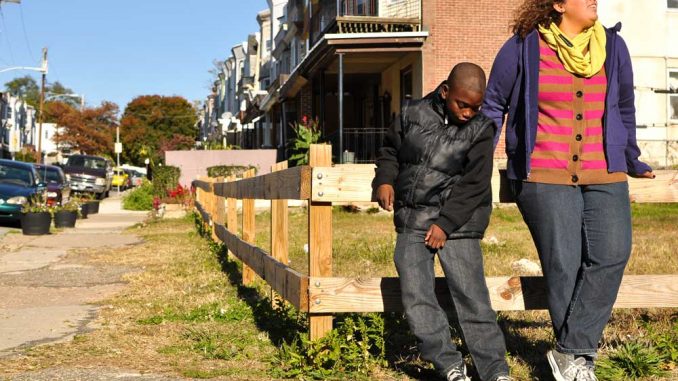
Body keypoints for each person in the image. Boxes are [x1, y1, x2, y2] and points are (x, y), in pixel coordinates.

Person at [481, 1, 654, 380]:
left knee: (613, 252)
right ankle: (578, 364)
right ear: (558, 4)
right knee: (564, 266)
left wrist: (631, 156)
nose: (594, 0)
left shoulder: (612, 46)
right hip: (543, 173)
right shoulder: (523, 46)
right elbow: (493, 104)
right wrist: (477, 156)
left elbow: (625, 106)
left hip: (604, 169)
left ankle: (569, 352)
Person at [373, 63, 511, 381]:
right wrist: (384, 180)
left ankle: (495, 370)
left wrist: (446, 224)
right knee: (416, 295)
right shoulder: (412, 114)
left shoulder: (482, 128)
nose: (468, 112)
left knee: (471, 296)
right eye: (463, 104)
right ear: (445, 91)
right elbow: (389, 151)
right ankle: (448, 363)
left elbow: (475, 183)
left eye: (475, 106)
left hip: (460, 224)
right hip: (414, 218)